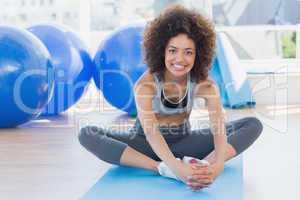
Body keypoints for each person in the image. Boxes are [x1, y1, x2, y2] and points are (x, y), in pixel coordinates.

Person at [78, 5, 263, 191]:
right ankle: (160, 167)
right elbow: (151, 132)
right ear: (162, 51)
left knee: (253, 124)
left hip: (184, 142)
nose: (179, 59)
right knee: (87, 133)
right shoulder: (146, 84)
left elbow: (218, 127)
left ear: (198, 54)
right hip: (145, 144)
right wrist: (175, 169)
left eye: (188, 52)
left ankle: (201, 165)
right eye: (173, 50)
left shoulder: (206, 85)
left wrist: (215, 167)